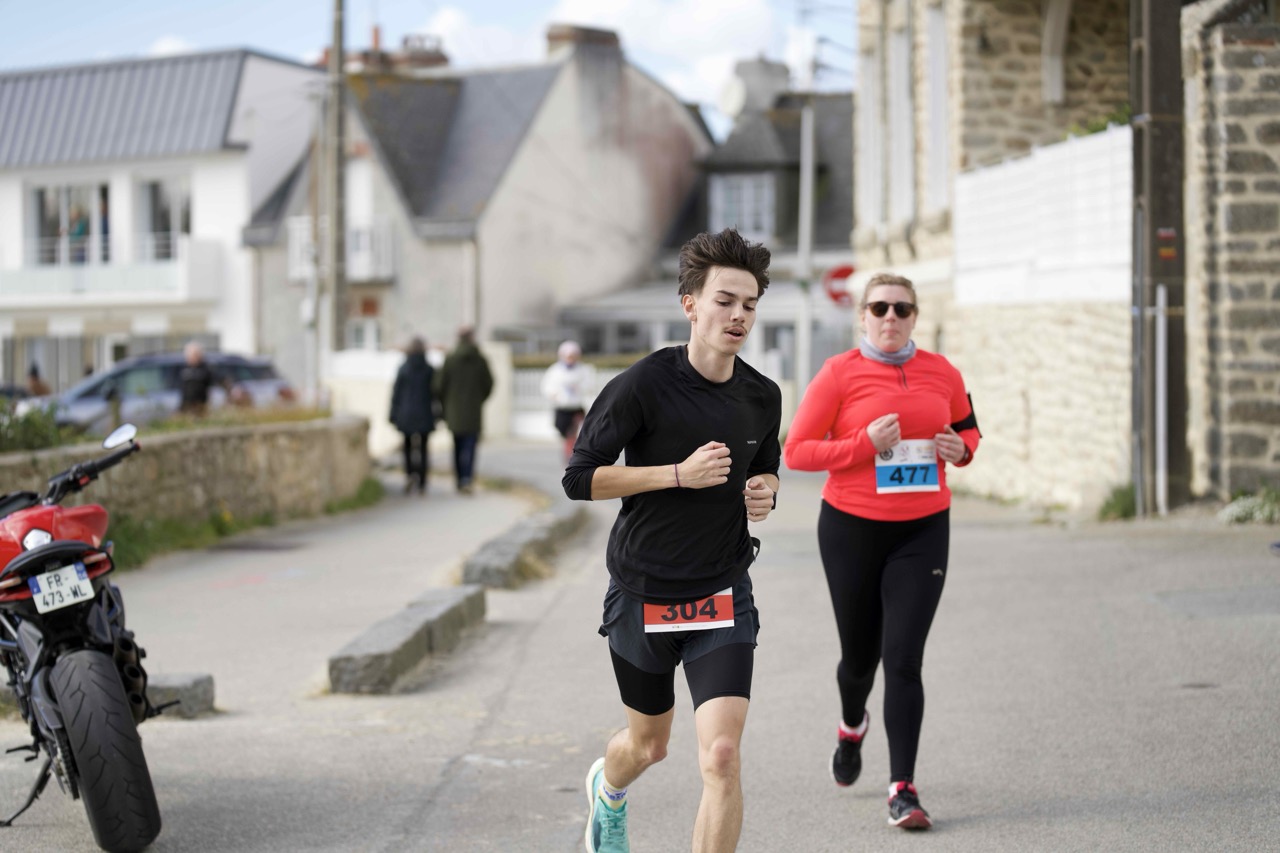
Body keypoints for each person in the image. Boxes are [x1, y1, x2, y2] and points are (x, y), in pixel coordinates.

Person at [563, 227, 781, 853]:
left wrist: (764, 491)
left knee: (721, 754)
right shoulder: (643, 385)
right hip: (643, 592)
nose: (738, 316)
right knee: (648, 746)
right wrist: (676, 475)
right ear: (690, 304)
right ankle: (608, 789)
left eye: (749, 304)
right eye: (724, 301)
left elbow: (766, 466)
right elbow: (579, 478)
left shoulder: (761, 396)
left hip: (721, 592)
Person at [782, 272, 980, 831]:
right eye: (879, 308)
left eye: (901, 308)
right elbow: (796, 451)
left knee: (904, 659)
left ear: (915, 316)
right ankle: (852, 726)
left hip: (923, 530)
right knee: (859, 660)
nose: (890, 317)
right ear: (863, 315)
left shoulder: (943, 372)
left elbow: (969, 430)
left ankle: (903, 789)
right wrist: (863, 444)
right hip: (851, 529)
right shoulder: (838, 373)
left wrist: (961, 450)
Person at [434, 326, 493, 494]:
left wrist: (446, 403)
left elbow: (438, 386)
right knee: (471, 447)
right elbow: (489, 384)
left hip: (454, 412)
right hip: (474, 412)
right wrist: (479, 400)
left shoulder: (450, 359)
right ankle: (467, 478)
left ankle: (459, 479)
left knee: (457, 446)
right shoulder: (480, 360)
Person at [389, 336, 437, 495]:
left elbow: (396, 393)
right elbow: (435, 394)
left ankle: (410, 475)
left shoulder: (404, 368)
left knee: (408, 447)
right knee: (423, 448)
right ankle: (422, 482)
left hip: (406, 413)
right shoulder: (429, 369)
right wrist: (438, 414)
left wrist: (392, 414)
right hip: (424, 412)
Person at [542, 340, 595, 465]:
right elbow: (548, 387)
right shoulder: (555, 370)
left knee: (575, 433)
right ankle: (569, 454)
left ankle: (575, 456)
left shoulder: (584, 370)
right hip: (562, 408)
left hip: (577, 407)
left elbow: (590, 387)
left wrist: (579, 389)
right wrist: (555, 395)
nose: (570, 359)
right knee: (566, 434)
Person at [179, 341, 216, 416]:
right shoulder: (183, 369)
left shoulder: (206, 369)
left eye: (195, 355)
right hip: (186, 405)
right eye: (191, 355)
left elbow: (211, 387)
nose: (193, 358)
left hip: (201, 406)